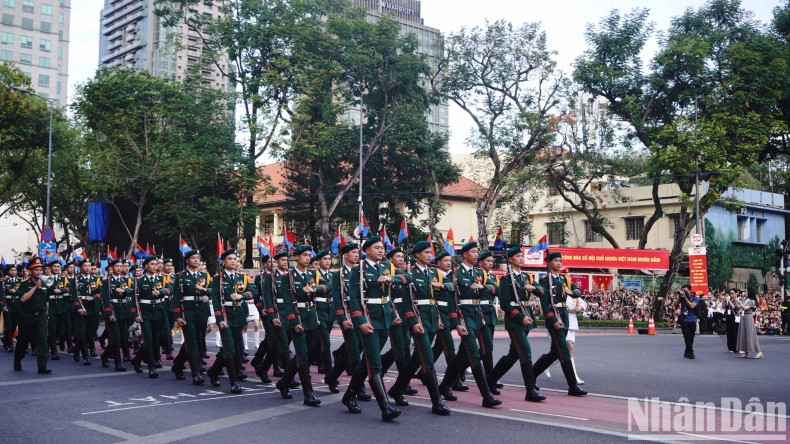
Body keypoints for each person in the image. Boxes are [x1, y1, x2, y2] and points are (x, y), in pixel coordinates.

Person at [387, 240, 451, 416]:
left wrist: (443, 286)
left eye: (430, 252)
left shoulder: (433, 273)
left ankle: (397, 389)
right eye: (426, 252)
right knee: (427, 358)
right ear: (417, 255)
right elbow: (407, 303)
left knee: (417, 359)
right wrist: (413, 322)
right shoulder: (410, 274)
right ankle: (437, 402)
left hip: (431, 318)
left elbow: (450, 288)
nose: (429, 255)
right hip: (418, 319)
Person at [341, 236, 402, 421]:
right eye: (377, 248)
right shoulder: (358, 270)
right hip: (369, 319)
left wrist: (391, 278)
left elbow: (405, 278)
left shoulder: (385, 268)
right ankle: (386, 407)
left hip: (385, 319)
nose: (381, 250)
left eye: (382, 247)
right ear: (366, 250)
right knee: (374, 363)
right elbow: (353, 299)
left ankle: (349, 394)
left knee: (368, 361)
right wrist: (360, 321)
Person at [437, 242, 501, 408]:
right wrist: (456, 323)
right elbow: (452, 301)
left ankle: (444, 385)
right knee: (473, 354)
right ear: (465, 254)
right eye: (473, 252)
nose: (475, 254)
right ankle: (487, 395)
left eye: (476, 251)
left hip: (479, 315)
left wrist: (484, 286)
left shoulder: (481, 273)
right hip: (464, 316)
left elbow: (496, 289)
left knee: (482, 350)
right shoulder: (456, 274)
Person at [486, 246, 545, 402]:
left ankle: (490, 379)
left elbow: (542, 291)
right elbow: (505, 304)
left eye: (521, 256)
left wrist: (533, 287)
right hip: (515, 320)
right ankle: (530, 390)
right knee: (525, 351)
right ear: (510, 259)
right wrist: (520, 318)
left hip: (526, 316)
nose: (521, 258)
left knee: (514, 354)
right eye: (518, 256)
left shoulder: (527, 277)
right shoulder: (506, 279)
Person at [534, 251, 587, 396]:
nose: (559, 263)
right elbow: (545, 304)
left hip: (565, 316)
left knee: (554, 353)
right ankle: (573, 386)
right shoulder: (545, 280)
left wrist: (573, 293)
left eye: (560, 260)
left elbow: (578, 290)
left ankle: (531, 375)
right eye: (556, 261)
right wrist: (553, 320)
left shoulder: (564, 278)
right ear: (549, 262)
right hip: (555, 317)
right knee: (564, 350)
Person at [274, 244, 321, 406]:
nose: (308, 258)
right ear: (297, 257)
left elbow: (327, 288)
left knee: (311, 352)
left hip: (311, 318)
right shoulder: (289, 276)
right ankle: (309, 394)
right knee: (302, 355)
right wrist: (294, 322)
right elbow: (288, 302)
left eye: (309, 255)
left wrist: (317, 289)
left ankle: (283, 382)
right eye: (304, 255)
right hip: (298, 319)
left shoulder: (313, 274)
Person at [325, 243, 371, 401]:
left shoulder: (362, 271)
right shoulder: (339, 274)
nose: (357, 255)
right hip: (348, 316)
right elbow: (338, 299)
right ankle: (360, 388)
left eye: (358, 252)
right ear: (345, 255)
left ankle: (331, 377)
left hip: (362, 316)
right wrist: (343, 319)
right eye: (353, 252)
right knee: (354, 353)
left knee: (352, 351)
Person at [207, 249, 254, 394]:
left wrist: (242, 296)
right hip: (226, 316)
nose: (233, 261)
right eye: (230, 259)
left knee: (230, 348)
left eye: (235, 259)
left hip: (239, 315)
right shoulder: (218, 279)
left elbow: (254, 292)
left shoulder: (243, 277)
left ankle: (213, 371)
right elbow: (215, 300)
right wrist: (219, 319)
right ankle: (234, 382)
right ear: (223, 261)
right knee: (230, 349)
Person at [170, 249, 210, 385]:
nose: (196, 260)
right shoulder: (181, 276)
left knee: (195, 340)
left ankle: (177, 365)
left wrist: (206, 292)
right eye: (193, 258)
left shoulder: (204, 276)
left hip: (202, 312)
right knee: (192, 341)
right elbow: (175, 297)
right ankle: (196, 373)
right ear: (187, 260)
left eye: (197, 258)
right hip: (187, 313)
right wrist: (177, 316)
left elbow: (211, 291)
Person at [130, 256, 171, 378]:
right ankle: (151, 367)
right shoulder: (139, 280)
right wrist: (135, 314)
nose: (155, 266)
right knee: (148, 339)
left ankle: (136, 360)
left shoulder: (161, 279)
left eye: (156, 264)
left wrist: (161, 292)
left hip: (158, 312)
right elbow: (134, 300)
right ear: (146, 266)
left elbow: (170, 289)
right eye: (152, 264)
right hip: (145, 313)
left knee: (156, 339)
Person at [13, 258, 51, 373]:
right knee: (23, 340)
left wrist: (46, 315)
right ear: (30, 271)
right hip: (27, 316)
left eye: (41, 270)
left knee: (43, 340)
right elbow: (23, 299)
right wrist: (35, 287)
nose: (39, 272)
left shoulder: (46, 283)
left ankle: (42, 366)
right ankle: (17, 359)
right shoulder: (24, 284)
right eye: (36, 270)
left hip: (41, 316)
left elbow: (47, 301)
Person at [99, 258, 132, 371]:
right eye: (116, 266)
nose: (119, 268)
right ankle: (118, 362)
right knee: (115, 338)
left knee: (122, 336)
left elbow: (130, 292)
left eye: (120, 266)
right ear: (111, 268)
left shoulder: (123, 281)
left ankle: (104, 355)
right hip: (113, 311)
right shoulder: (106, 282)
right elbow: (105, 299)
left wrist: (124, 291)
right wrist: (108, 313)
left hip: (123, 310)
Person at [733, 287, 763, 359]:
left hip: (748, 317)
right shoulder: (745, 299)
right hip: (743, 317)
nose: (745, 292)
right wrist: (736, 301)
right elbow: (738, 307)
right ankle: (746, 351)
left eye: (746, 291)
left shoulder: (752, 301)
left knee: (751, 334)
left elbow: (745, 308)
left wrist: (739, 302)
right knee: (743, 334)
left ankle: (758, 351)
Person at [566, 284, 587, 384]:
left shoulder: (573, 294)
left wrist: (581, 308)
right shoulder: (561, 293)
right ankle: (574, 376)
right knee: (570, 348)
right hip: (563, 320)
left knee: (562, 352)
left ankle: (545, 366)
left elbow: (584, 304)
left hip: (572, 322)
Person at [2, 265, 22, 353]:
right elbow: (1, 295)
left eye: (15, 270)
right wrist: (2, 306)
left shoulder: (20, 281)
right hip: (8, 306)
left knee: (14, 326)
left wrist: (16, 292)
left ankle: (5, 339)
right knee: (9, 326)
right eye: (11, 270)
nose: (13, 272)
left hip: (18, 306)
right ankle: (10, 345)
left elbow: (23, 292)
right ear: (8, 271)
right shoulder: (4, 282)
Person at [677, 284, 699, 359]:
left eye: (685, 290)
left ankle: (687, 352)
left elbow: (692, 306)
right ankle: (691, 353)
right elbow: (675, 305)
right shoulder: (682, 298)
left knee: (691, 337)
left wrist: (686, 298)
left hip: (692, 320)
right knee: (687, 337)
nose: (684, 292)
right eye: (683, 290)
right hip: (684, 320)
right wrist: (679, 297)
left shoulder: (695, 298)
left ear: (689, 290)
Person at [724, 288, 740, 352]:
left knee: (735, 332)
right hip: (729, 317)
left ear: (735, 293)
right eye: (730, 293)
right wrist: (724, 300)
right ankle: (730, 347)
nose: (731, 295)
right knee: (729, 332)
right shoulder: (729, 299)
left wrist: (729, 301)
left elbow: (735, 307)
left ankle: (736, 347)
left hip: (734, 317)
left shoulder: (736, 300)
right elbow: (724, 306)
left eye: (732, 293)